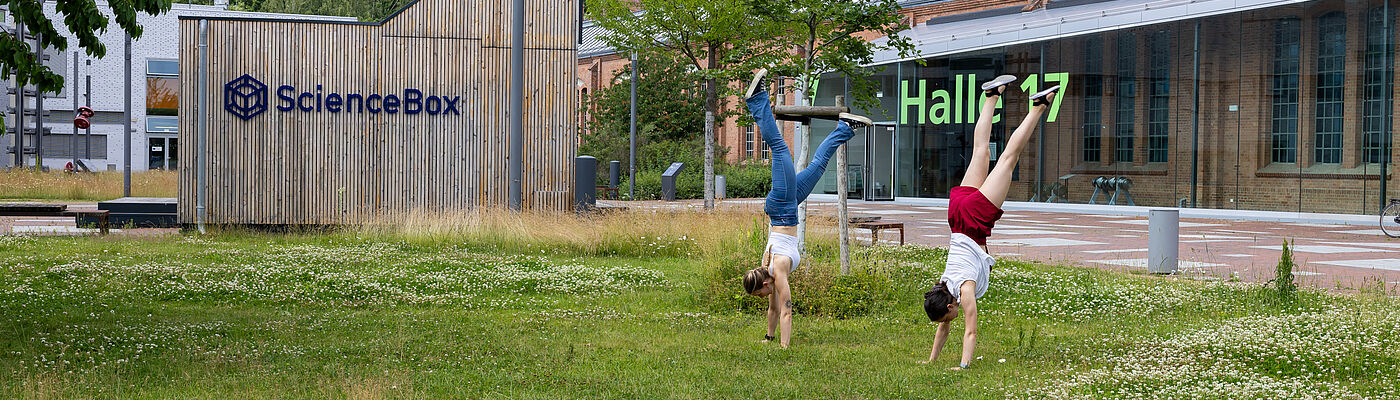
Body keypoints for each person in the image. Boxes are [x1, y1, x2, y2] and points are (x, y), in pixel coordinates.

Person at [922, 75, 1060, 369]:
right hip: (957, 215)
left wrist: (963, 367)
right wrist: (931, 361)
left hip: (974, 220)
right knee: (981, 150)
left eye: (948, 316)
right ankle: (991, 95)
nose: (949, 322)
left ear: (949, 306)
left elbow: (970, 331)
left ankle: (1038, 106)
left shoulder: (964, 290)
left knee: (1009, 158)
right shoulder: (944, 285)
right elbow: (944, 326)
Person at [740, 68, 870, 349]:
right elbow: (774, 310)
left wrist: (785, 348)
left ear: (764, 285)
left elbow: (786, 309)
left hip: (783, 205)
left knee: (779, 147)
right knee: (817, 166)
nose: (765, 298)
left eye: (761, 295)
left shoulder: (779, 268)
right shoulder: (769, 273)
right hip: (786, 204)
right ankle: (845, 128)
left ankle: (756, 100)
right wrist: (769, 338)